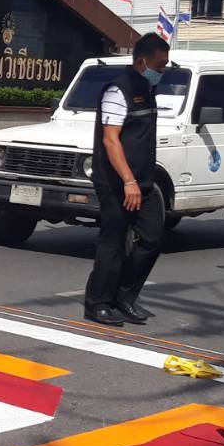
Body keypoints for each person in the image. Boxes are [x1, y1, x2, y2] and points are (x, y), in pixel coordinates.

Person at [83, 32, 170, 327]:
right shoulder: (118, 90)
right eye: (160, 65)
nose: (163, 71)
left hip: (143, 181)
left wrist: (139, 180)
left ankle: (124, 296)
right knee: (114, 243)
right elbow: (110, 141)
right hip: (116, 182)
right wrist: (128, 181)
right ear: (142, 61)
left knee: (153, 238)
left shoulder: (147, 88)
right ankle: (98, 303)